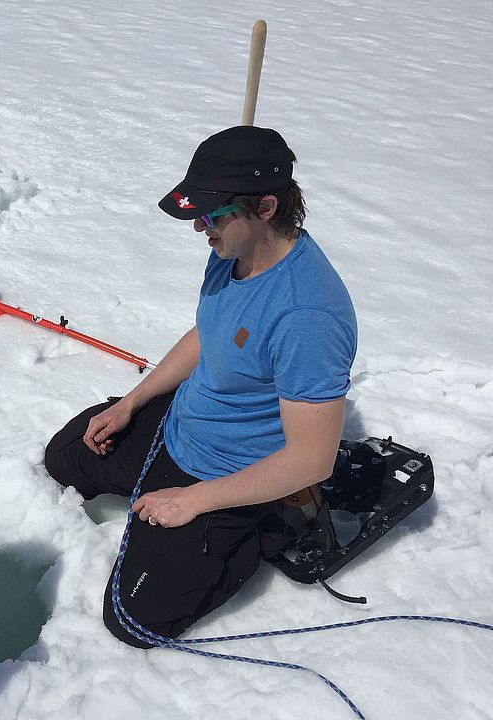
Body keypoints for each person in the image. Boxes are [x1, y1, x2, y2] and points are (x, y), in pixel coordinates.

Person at [44, 126, 357, 646]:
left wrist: (195, 501)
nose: (199, 230)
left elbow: (312, 461)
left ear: (265, 208)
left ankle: (268, 523)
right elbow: (209, 334)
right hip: (181, 424)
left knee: (134, 621)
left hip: (230, 470)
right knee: (64, 458)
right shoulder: (234, 251)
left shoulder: (308, 317)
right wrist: (132, 403)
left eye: (213, 215)